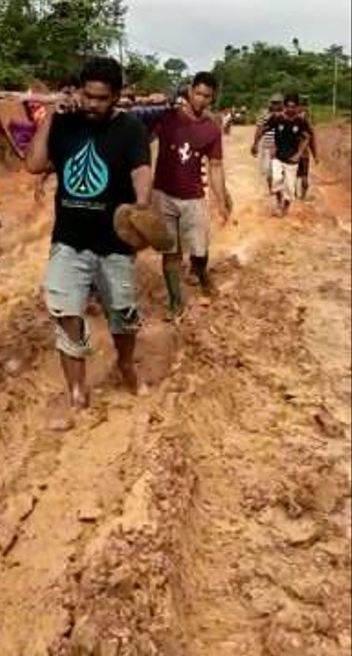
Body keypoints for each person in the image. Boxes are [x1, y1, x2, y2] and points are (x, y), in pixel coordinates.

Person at [26, 57, 152, 410]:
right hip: (69, 240)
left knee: (123, 315)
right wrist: (51, 114)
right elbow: (34, 164)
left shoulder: (130, 129)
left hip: (115, 243)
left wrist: (141, 206)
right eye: (88, 95)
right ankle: (77, 389)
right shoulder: (64, 123)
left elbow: (141, 170)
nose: (93, 104)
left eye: (101, 98)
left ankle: (125, 363)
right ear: (79, 91)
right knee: (66, 311)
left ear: (116, 96)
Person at [149, 72, 231, 319]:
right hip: (163, 194)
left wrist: (221, 199)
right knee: (170, 251)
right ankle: (176, 301)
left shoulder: (211, 130)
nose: (201, 99)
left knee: (199, 249)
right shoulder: (167, 118)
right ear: (190, 90)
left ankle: (202, 274)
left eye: (207, 96)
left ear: (213, 98)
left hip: (194, 197)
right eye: (198, 93)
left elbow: (215, 166)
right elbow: (139, 132)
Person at [251, 91, 310, 215]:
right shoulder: (277, 118)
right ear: (285, 105)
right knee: (276, 179)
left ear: (297, 107)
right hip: (278, 156)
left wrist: (299, 154)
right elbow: (263, 128)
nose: (290, 109)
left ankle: (285, 207)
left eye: (293, 106)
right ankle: (279, 202)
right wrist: (255, 143)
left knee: (290, 187)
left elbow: (307, 137)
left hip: (292, 159)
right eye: (288, 106)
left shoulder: (300, 121)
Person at [252, 94, 283, 190]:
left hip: (282, 146)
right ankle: (272, 188)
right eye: (274, 103)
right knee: (268, 171)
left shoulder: (285, 115)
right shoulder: (264, 115)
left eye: (278, 103)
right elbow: (259, 130)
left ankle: (279, 189)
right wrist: (255, 144)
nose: (276, 106)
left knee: (280, 170)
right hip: (267, 146)